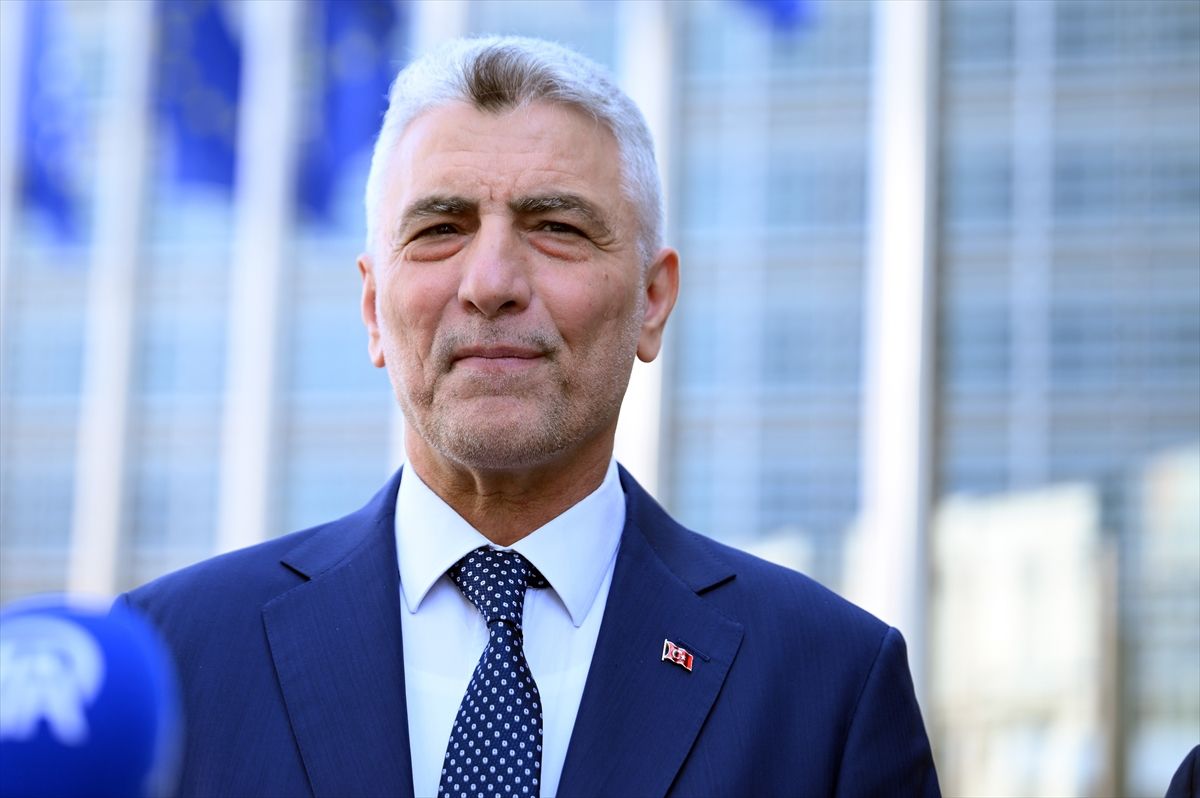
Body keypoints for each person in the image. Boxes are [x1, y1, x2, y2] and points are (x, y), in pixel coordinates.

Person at [121, 36, 940, 798]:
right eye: (440, 229)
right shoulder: (169, 663)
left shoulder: (829, 689)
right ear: (373, 309)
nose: (491, 283)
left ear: (653, 302)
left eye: (556, 228)